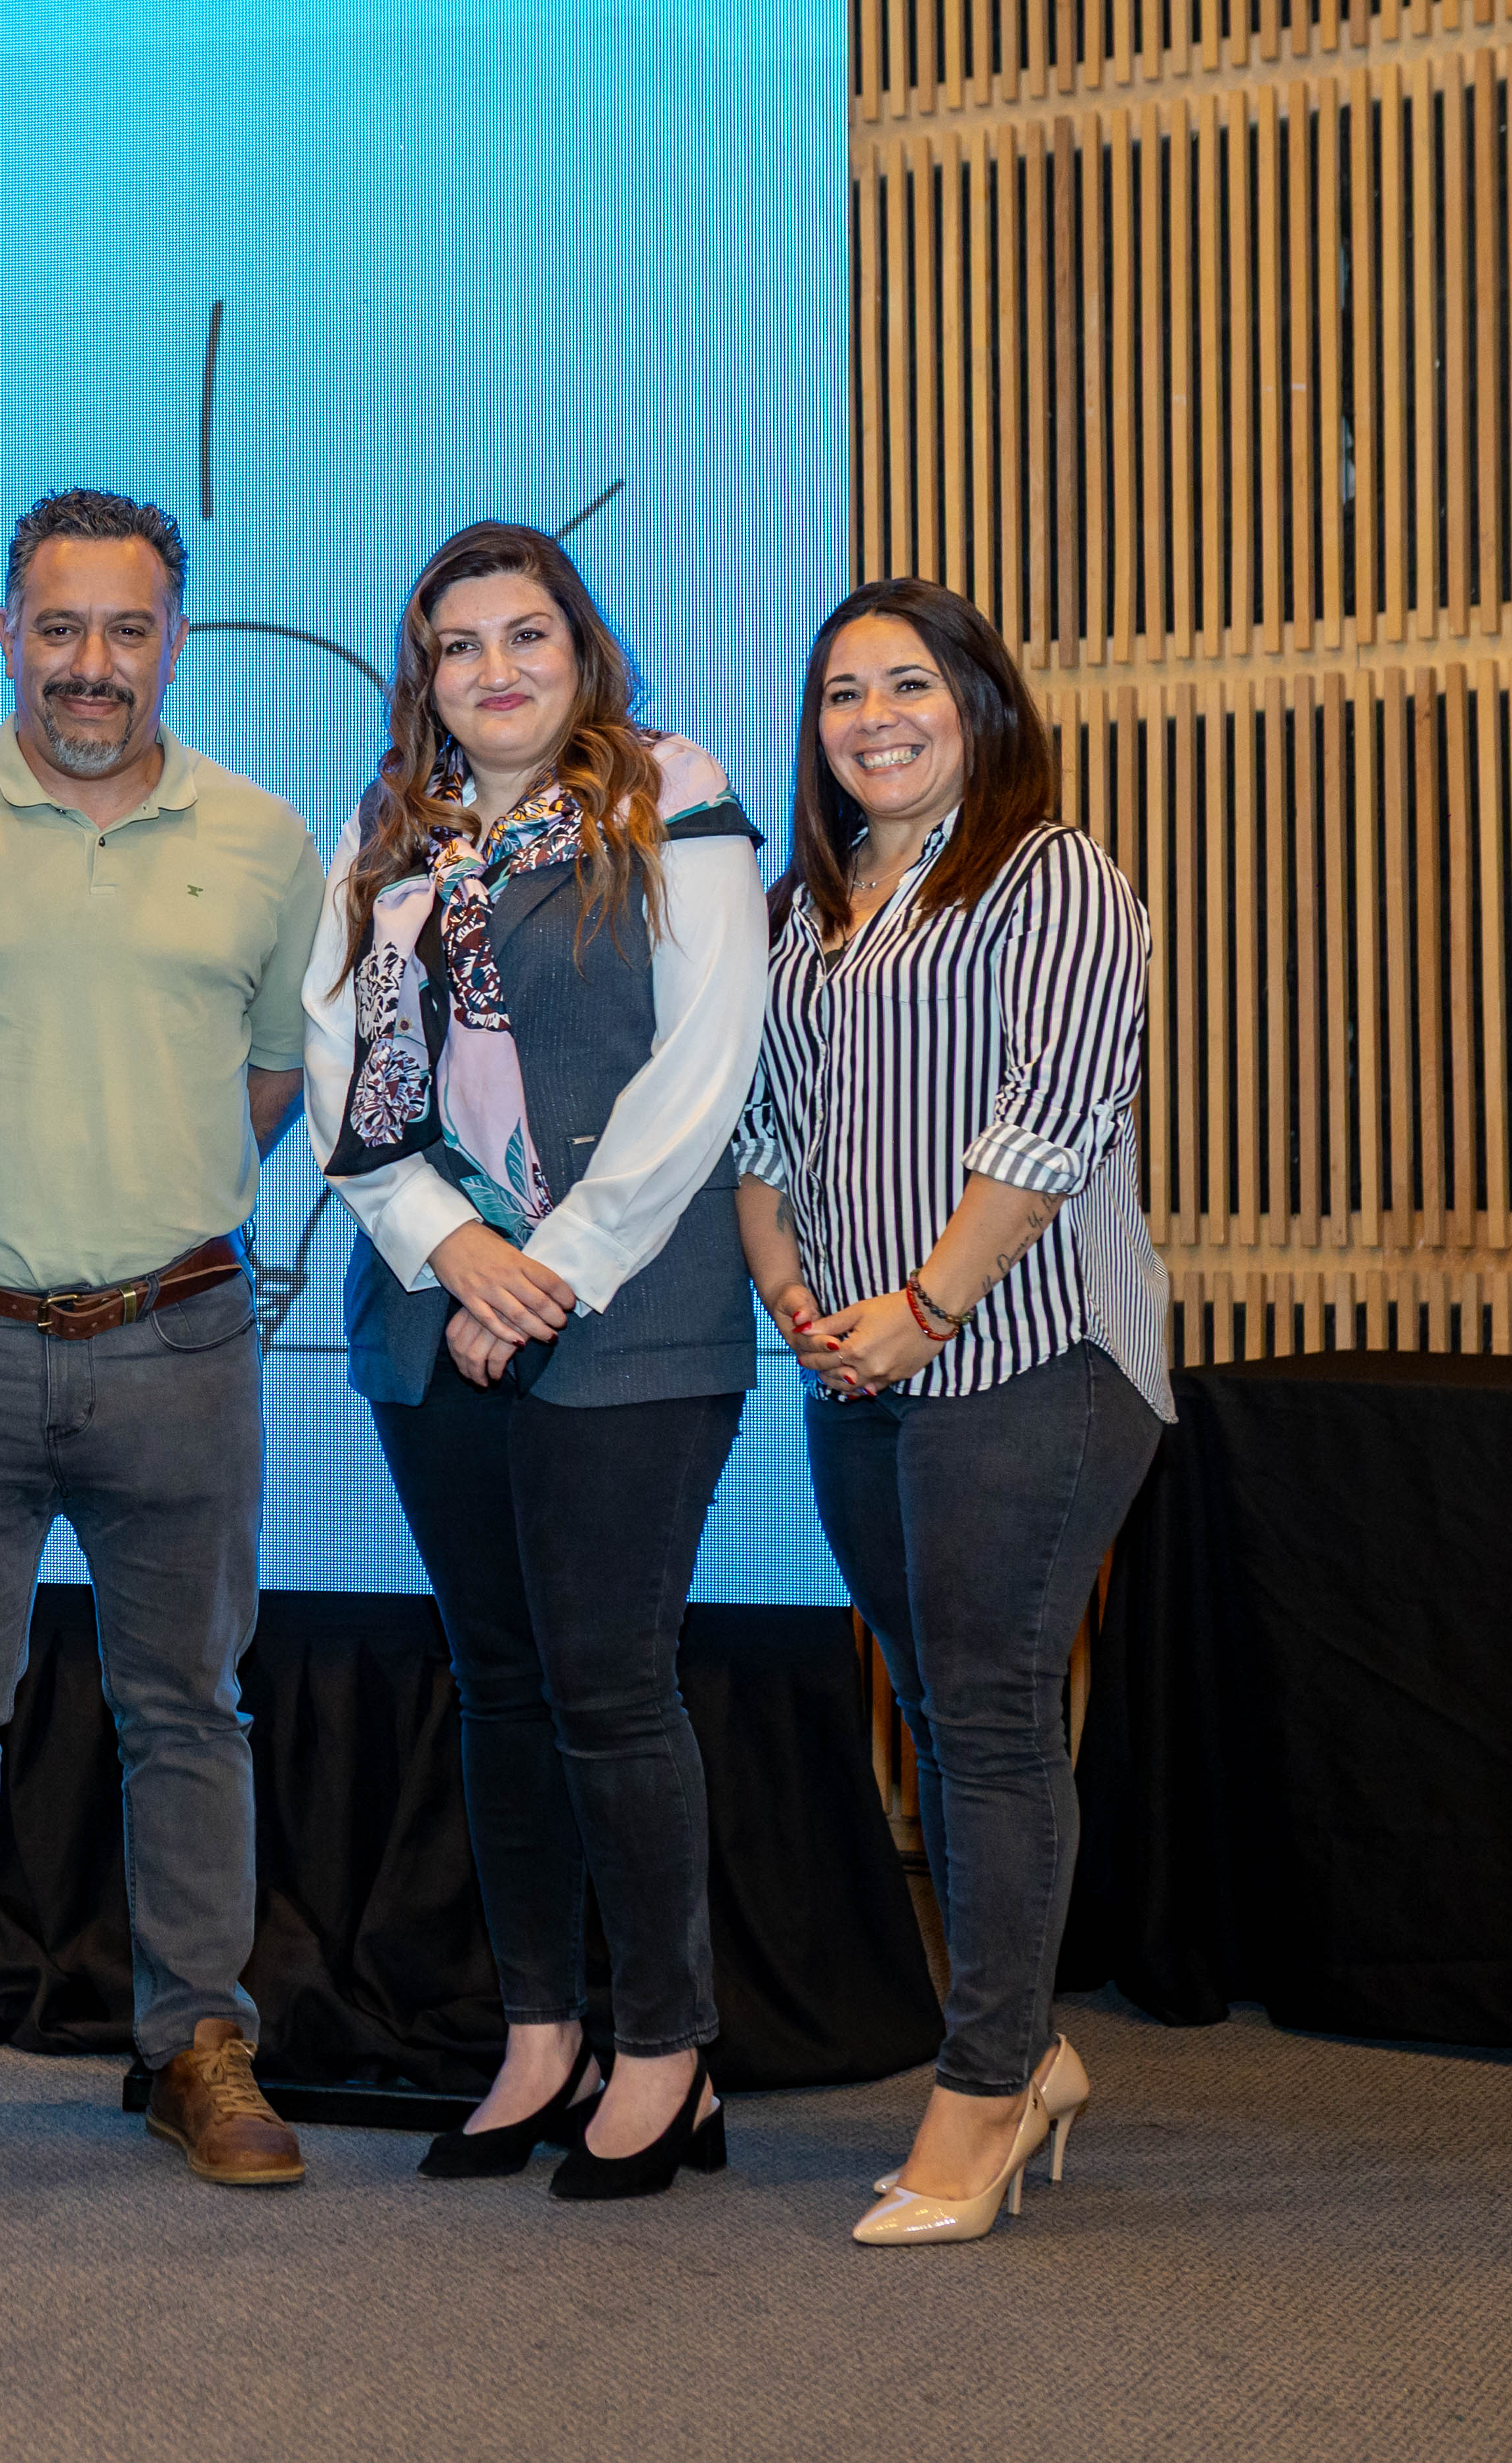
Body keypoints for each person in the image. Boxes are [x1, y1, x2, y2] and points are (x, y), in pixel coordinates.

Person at [0, 488, 319, 2190]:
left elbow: (271, 1077)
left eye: (127, 630)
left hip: (178, 1338)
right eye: (59, 627)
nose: (92, 665)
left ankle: (197, 2040)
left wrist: (146, 1202)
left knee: (188, 1705)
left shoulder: (264, 838)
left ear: (174, 640)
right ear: (7, 634)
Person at [298, 519, 769, 2202]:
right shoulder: (387, 834)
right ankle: (538, 2034)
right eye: (456, 645)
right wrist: (455, 1253)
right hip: (429, 1311)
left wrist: (543, 1272)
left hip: (629, 1314)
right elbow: (337, 1067)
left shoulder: (672, 798)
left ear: (580, 650)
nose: (491, 671)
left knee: (609, 1686)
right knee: (495, 1685)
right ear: (421, 675)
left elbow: (703, 1067)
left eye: (524, 637)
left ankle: (665, 2053)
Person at [734, 574, 1169, 2247]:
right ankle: (1031, 2051)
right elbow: (760, 1132)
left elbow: (1053, 1117)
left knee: (984, 1714)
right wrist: (792, 1296)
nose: (873, 718)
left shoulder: (1052, 876)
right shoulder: (802, 907)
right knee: (934, 1706)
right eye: (841, 692)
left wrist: (919, 1309)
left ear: (978, 702)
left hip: (1028, 1354)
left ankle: (982, 2090)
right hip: (852, 1361)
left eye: (907, 683)